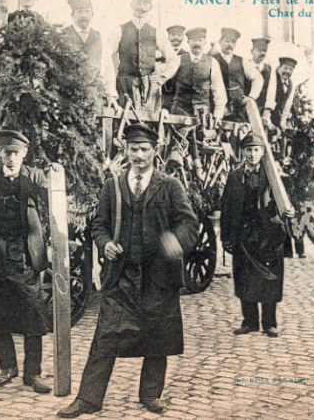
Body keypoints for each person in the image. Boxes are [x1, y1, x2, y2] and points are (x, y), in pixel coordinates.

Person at [57, 124, 198, 418]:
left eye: (144, 149)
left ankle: (150, 394)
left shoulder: (170, 186)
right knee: (105, 338)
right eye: (133, 148)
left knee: (157, 338)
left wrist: (177, 239)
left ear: (154, 152)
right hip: (121, 276)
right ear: (126, 150)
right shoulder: (113, 186)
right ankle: (88, 399)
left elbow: (189, 223)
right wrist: (105, 243)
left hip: (158, 278)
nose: (138, 154)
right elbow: (98, 225)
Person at [0, 130, 52, 394]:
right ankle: (8, 367)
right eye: (6, 152)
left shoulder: (36, 176)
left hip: (24, 255)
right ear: (0, 153)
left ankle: (33, 373)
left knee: (33, 314)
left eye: (16, 153)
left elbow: (53, 203)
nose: (11, 158)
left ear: (24, 154)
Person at [220, 133, 295, 338]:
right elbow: (226, 207)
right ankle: (249, 322)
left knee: (270, 280)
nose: (252, 154)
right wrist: (226, 237)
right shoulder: (235, 176)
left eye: (256, 150)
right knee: (244, 279)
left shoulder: (274, 176)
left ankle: (269, 323)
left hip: (269, 236)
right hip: (243, 235)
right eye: (248, 150)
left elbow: (288, 201)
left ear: (263, 152)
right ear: (242, 152)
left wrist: (290, 211)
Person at [103, 0, 179, 111]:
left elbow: (174, 59)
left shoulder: (157, 32)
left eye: (145, 3)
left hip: (150, 87)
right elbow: (105, 56)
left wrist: (163, 77)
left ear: (150, 7)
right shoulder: (119, 30)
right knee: (125, 123)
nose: (141, 7)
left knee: (150, 123)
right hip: (125, 85)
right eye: (138, 2)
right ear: (131, 4)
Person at [170, 27, 226, 122]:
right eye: (194, 41)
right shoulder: (178, 59)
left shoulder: (212, 62)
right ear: (188, 43)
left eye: (200, 40)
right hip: (180, 111)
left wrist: (218, 115)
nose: (197, 44)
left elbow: (219, 91)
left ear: (205, 43)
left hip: (202, 113)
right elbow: (165, 75)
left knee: (201, 135)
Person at [208, 27, 263, 122]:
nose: (230, 45)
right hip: (216, 108)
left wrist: (251, 97)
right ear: (220, 42)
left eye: (233, 42)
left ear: (236, 44)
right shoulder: (211, 59)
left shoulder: (242, 61)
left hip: (238, 110)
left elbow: (258, 78)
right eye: (227, 41)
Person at [62, 0, 102, 73]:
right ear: (72, 15)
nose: (84, 15)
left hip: (94, 83)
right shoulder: (63, 35)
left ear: (92, 14)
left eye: (87, 11)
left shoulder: (98, 36)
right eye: (80, 11)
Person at [262, 57, 297, 131]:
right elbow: (269, 98)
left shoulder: (291, 84)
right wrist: (267, 118)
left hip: (276, 119)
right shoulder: (272, 78)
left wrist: (282, 122)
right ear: (279, 67)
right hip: (263, 115)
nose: (287, 71)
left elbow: (287, 105)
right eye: (285, 68)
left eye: (290, 69)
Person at [160, 25, 188, 112]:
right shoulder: (160, 55)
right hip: (162, 96)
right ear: (168, 37)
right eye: (173, 34)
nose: (176, 37)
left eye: (179, 35)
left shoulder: (187, 56)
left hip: (180, 98)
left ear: (183, 38)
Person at [247, 38, 271, 115]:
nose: (262, 53)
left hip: (262, 112)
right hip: (246, 109)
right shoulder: (245, 66)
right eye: (259, 50)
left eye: (264, 51)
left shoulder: (269, 70)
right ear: (252, 51)